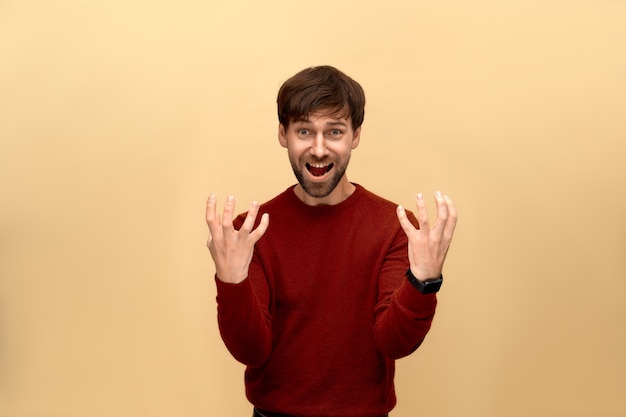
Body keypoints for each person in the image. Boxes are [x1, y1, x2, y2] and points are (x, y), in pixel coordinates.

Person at [205, 65, 457, 417]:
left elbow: (394, 342)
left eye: (334, 132)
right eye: (304, 131)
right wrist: (231, 282)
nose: (319, 149)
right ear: (283, 134)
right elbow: (251, 351)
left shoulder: (395, 228)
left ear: (355, 136)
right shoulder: (251, 232)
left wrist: (424, 282)